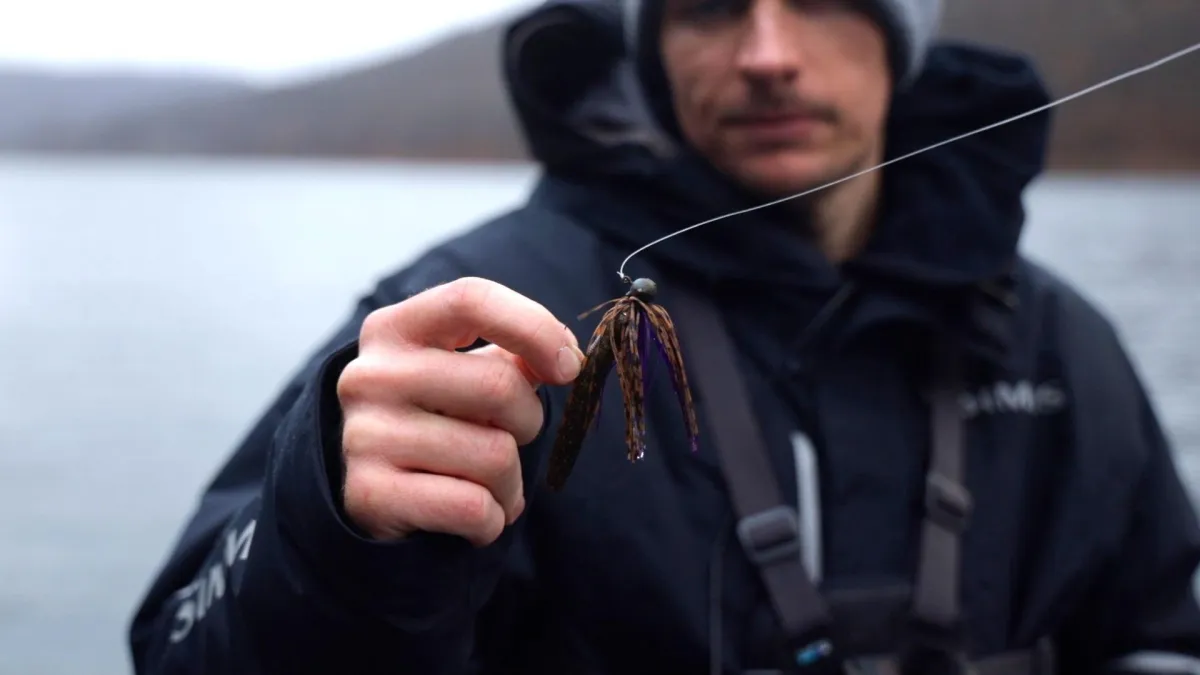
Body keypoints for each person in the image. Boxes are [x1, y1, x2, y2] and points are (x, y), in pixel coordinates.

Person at [127, 0, 1200, 673]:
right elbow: (183, 648)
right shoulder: (460, 312)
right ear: (649, 51)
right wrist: (334, 529)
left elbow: (1161, 628)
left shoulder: (1064, 342)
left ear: (896, 38)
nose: (769, 52)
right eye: (708, 6)